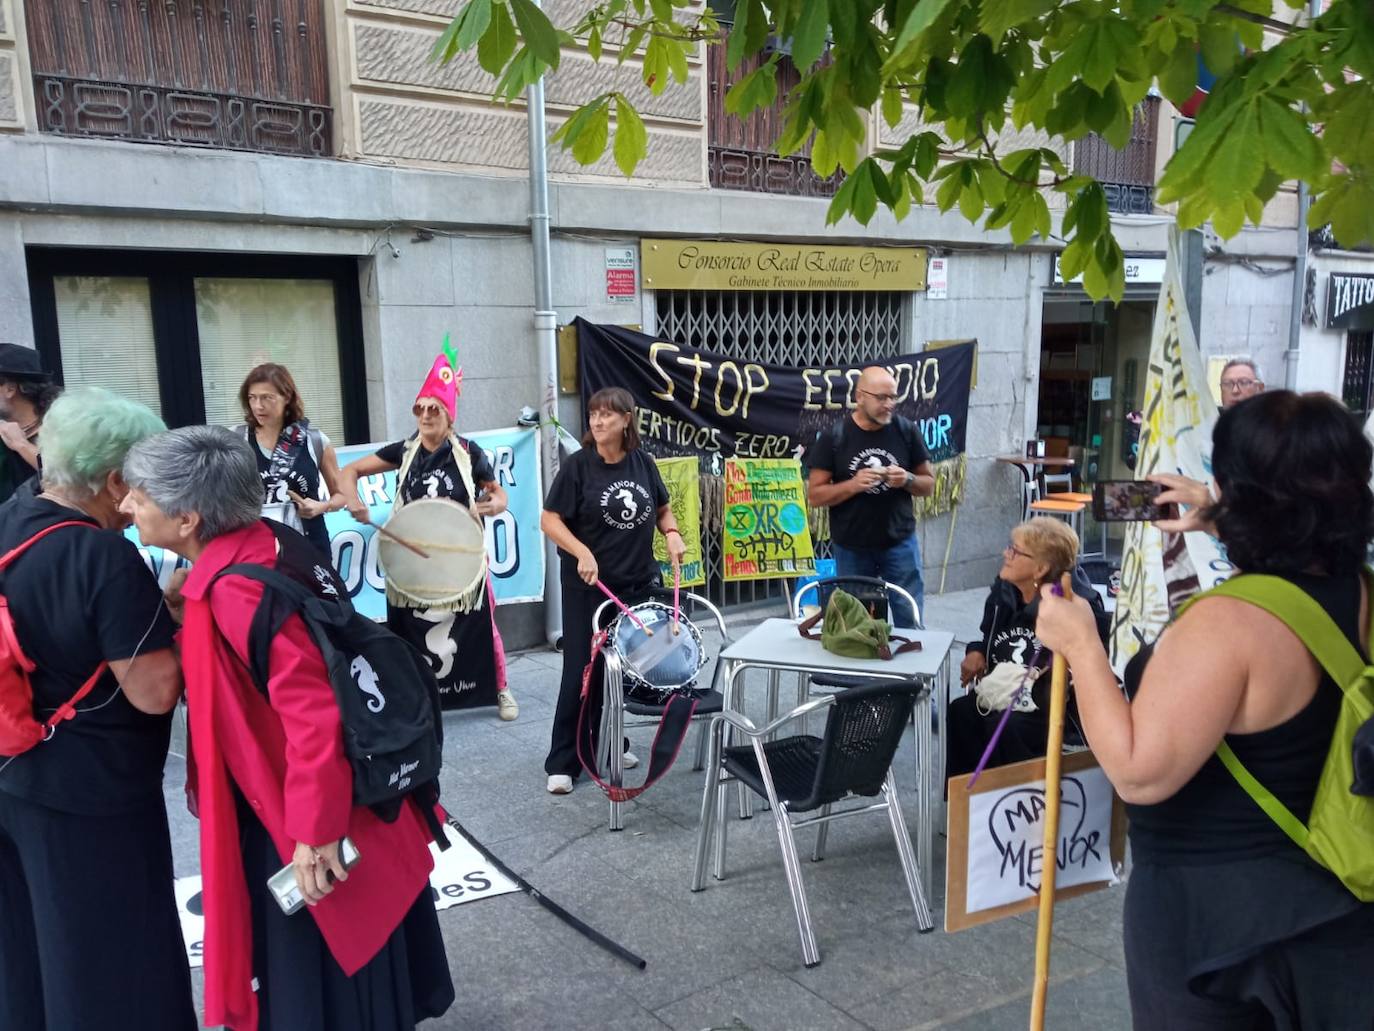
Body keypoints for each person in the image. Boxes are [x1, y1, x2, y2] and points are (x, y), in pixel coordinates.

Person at [1036, 390, 1374, 1027]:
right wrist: (1220, 515)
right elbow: (1301, 565)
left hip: (1219, 932)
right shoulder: (1357, 590)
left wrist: (1081, 643)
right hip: (1338, 905)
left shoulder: (1228, 623)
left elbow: (1140, 771)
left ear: (1241, 492)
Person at [121, 425, 455, 1031]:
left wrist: (315, 832)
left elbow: (313, 718)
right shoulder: (267, 541)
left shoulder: (237, 594)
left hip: (303, 803)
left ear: (190, 518)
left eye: (140, 495)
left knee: (322, 960)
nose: (125, 505)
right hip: (349, 789)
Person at [0, 387, 195, 1030]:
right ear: (114, 480)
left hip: (16, 770)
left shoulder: (14, 514)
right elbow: (154, 689)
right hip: (93, 792)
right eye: (139, 483)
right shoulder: (103, 555)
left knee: (31, 945)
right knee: (112, 955)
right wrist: (186, 614)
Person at [339, 348, 518, 720]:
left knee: (481, 623)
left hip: (461, 559)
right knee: (410, 627)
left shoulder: (469, 453)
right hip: (414, 560)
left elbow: (497, 492)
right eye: (419, 409)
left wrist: (494, 504)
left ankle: (499, 688)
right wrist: (353, 500)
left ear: (449, 415)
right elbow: (350, 471)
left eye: (433, 409)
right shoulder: (405, 452)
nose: (424, 416)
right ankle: (413, 697)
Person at [541, 386, 685, 795]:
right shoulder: (578, 468)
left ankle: (611, 741)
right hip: (589, 587)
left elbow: (662, 509)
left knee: (622, 672)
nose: (598, 421)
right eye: (593, 415)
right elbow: (550, 520)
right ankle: (563, 761)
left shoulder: (643, 463)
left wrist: (671, 533)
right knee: (581, 674)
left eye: (607, 415)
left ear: (626, 420)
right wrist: (580, 550)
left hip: (636, 583)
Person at [946, 517, 1107, 779]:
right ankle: (966, 808)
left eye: (1015, 551)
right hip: (1002, 691)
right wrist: (975, 650)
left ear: (1040, 568)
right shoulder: (1003, 594)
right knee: (961, 712)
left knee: (1007, 726)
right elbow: (991, 639)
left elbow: (1091, 665)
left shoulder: (1071, 605)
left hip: (1050, 705)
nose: (1005, 553)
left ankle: (1010, 801)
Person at [806, 365, 934, 628]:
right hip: (852, 546)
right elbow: (815, 495)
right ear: (860, 396)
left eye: (893, 397)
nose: (889, 405)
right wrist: (853, 485)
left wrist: (907, 479)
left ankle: (909, 669)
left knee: (908, 617)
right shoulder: (835, 436)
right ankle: (864, 667)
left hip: (899, 544)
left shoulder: (906, 431)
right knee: (858, 623)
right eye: (881, 398)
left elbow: (928, 484)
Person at [234, 363, 348, 559]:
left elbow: (342, 496)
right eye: (252, 398)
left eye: (267, 398)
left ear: (287, 397)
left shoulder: (315, 440)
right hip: (255, 549)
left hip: (308, 546)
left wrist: (321, 506)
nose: (258, 406)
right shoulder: (236, 440)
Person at [0, 342, 61, 504]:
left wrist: (21, 445)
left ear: (10, 389)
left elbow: (74, 481)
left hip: (54, 526)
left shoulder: (62, 428)